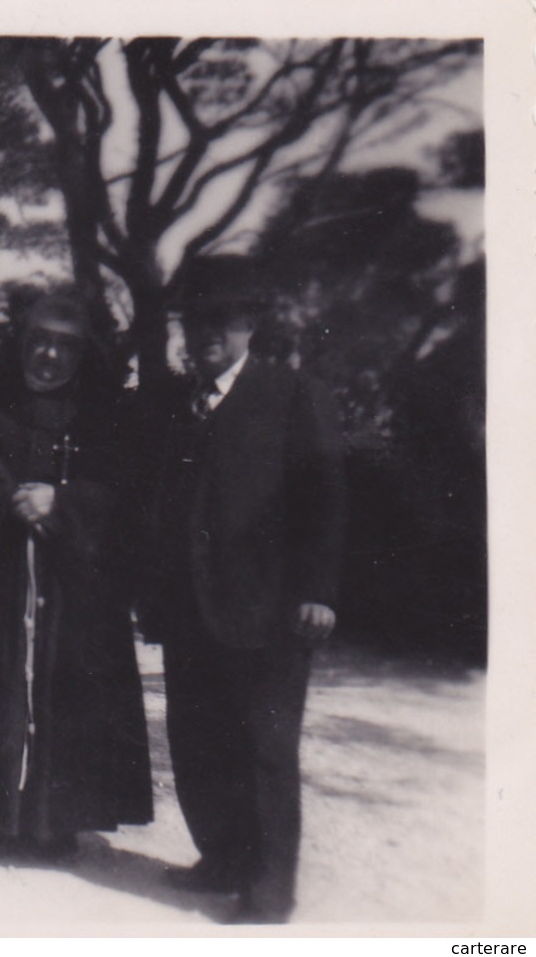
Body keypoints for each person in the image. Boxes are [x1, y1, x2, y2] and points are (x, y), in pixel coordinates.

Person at [137, 256, 346, 924]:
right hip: (189, 606)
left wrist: (316, 588)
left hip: (270, 607)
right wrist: (153, 593)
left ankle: (269, 889)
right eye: (195, 319)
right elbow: (161, 505)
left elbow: (324, 499)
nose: (206, 334)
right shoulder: (174, 403)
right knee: (197, 738)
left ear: (248, 323)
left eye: (221, 321)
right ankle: (221, 858)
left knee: (264, 747)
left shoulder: (289, 393)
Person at [0, 291, 153, 861]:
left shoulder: (105, 422)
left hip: (78, 592)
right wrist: (7, 501)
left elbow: (129, 496)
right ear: (21, 346)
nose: (49, 356)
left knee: (73, 694)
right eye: (38, 342)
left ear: (82, 354)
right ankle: (6, 816)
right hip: (3, 589)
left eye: (63, 345)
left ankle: (62, 821)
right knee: (4, 689)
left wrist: (63, 502)